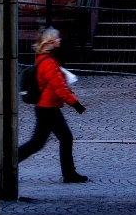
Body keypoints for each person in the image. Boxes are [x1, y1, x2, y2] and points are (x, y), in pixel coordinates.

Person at [18, 26, 89, 183]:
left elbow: (59, 85)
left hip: (47, 108)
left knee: (39, 142)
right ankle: (69, 174)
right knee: (59, 139)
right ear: (50, 41)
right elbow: (59, 87)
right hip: (48, 108)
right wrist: (76, 104)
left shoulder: (46, 59)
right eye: (57, 38)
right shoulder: (49, 62)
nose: (60, 40)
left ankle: (69, 174)